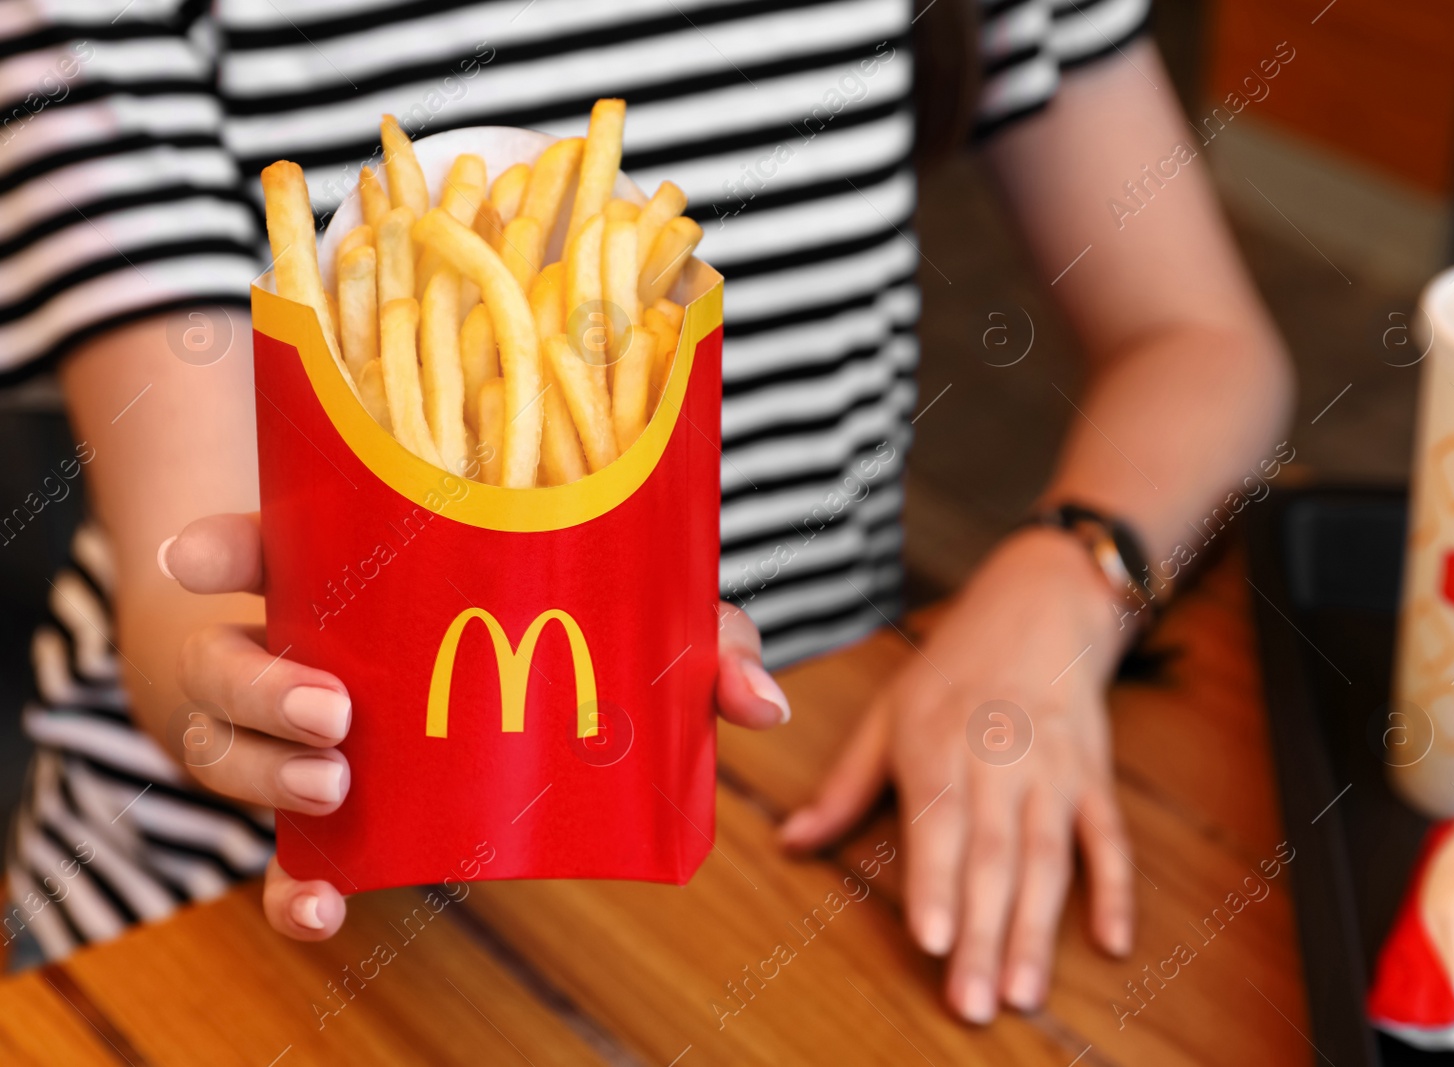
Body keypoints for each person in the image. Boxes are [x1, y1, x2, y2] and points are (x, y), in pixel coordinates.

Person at [0, 0, 1291, 1024]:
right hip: (215, 908)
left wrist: (1061, 578)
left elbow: (1206, 342)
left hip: (774, 822)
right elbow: (186, 565)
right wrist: (230, 698)